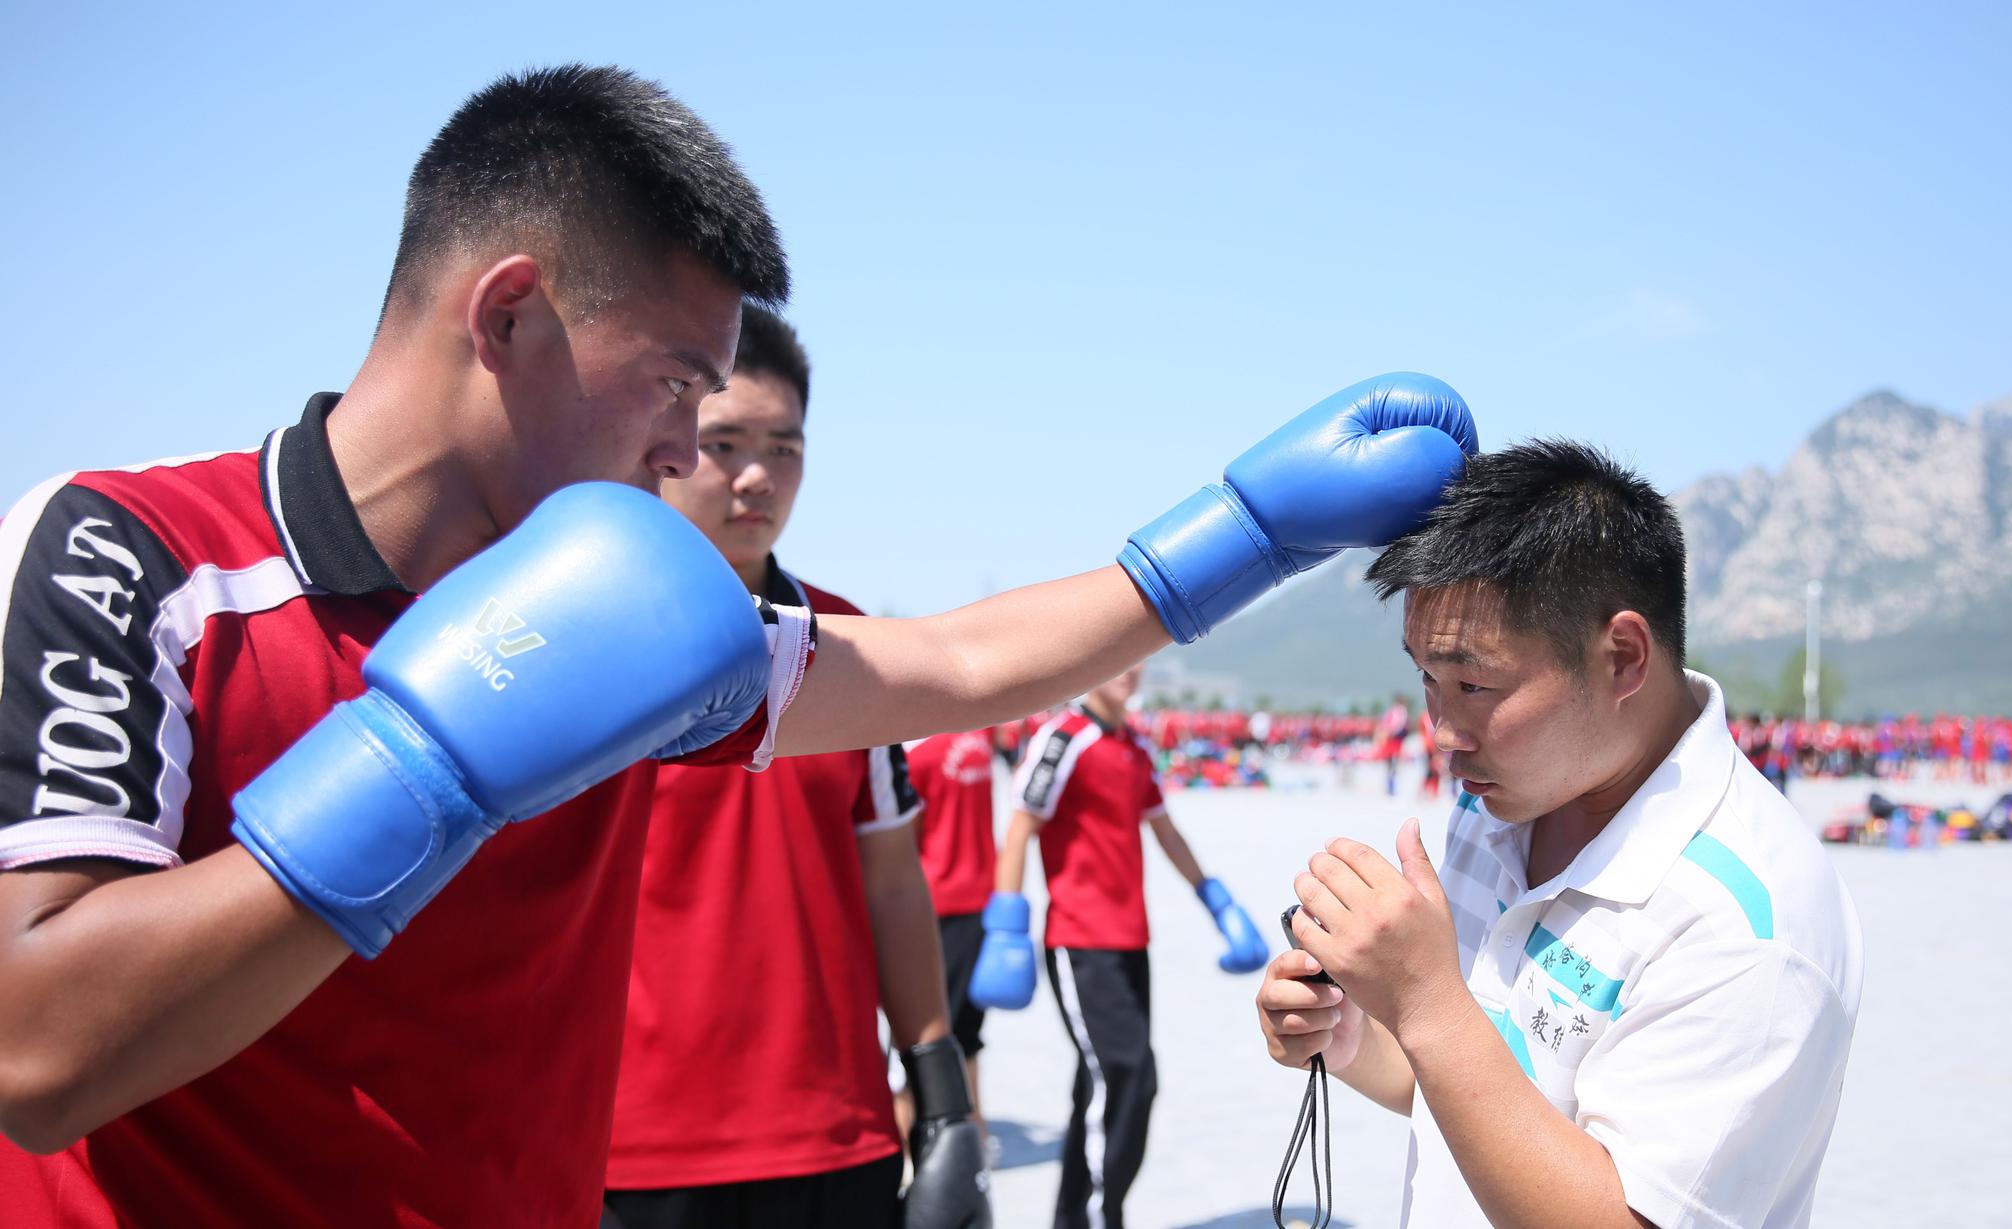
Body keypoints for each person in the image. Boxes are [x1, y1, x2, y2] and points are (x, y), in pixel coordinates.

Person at [0, 64, 1478, 1227]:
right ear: (509, 313)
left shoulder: (631, 622)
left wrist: (1245, 531)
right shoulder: (135, 554)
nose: (686, 440)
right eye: (672, 382)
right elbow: (35, 1053)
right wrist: (422, 764)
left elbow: (951, 666)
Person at [1255, 440, 1863, 1228]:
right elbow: (1487, 1091)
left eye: (1475, 684)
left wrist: (1426, 999)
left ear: (1622, 657)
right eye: (1425, 679)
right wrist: (1346, 1035)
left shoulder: (1749, 922)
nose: (1442, 730)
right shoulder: (1495, 807)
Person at [602, 307, 985, 1228]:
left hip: (838, 1139)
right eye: (723, 442)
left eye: (785, 446)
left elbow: (894, 883)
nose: (756, 477)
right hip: (630, 1149)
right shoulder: (586, 633)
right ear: (663, 441)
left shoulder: (851, 648)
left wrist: (941, 1100)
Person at [971, 663, 1269, 1229]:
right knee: (1128, 1075)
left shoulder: (1131, 744)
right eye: (1119, 660)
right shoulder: (1063, 738)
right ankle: (1096, 1218)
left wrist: (1218, 902)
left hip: (1131, 939)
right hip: (1079, 943)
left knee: (1102, 1086)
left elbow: (1165, 829)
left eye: (1140, 661)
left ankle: (1078, 1218)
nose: (1131, 671)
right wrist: (1006, 927)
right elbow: (1019, 829)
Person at [901, 723, 1001, 1149]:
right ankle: (909, 1134)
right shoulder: (914, 749)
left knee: (966, 1029)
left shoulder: (984, 725)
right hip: (936, 906)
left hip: (980, 902)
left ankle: (973, 1126)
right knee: (927, 1033)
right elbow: (901, 842)